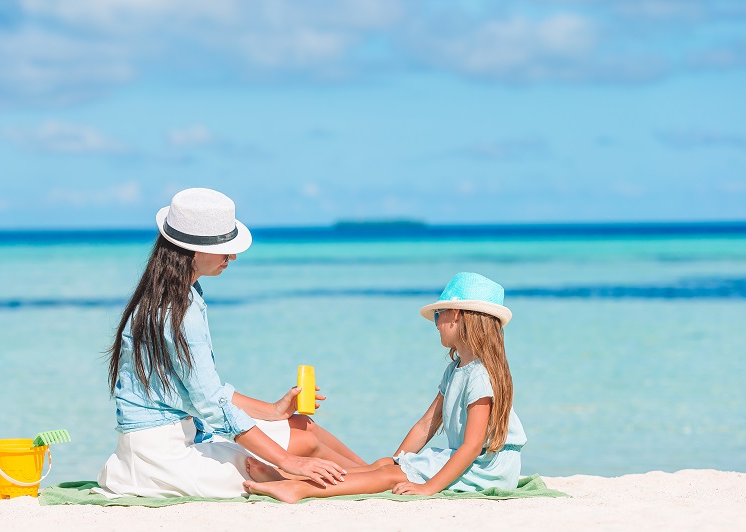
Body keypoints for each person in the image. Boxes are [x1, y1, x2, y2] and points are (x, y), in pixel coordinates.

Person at [96, 188, 366, 499]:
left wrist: (274, 411)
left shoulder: (172, 296)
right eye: (226, 248)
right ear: (194, 250)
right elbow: (211, 402)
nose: (233, 256)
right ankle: (381, 478)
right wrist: (289, 462)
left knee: (300, 425)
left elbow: (202, 391)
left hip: (160, 447)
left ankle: (380, 475)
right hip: (165, 462)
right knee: (301, 444)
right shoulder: (178, 312)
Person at [243, 272, 527, 503]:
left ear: (456, 315)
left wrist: (429, 488)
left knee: (392, 477)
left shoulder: (480, 376)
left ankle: (300, 489)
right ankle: (296, 479)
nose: (436, 323)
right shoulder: (455, 370)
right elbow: (426, 424)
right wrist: (397, 460)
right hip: (470, 460)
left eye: (439, 313)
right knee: (385, 465)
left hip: (486, 469)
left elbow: (472, 445)